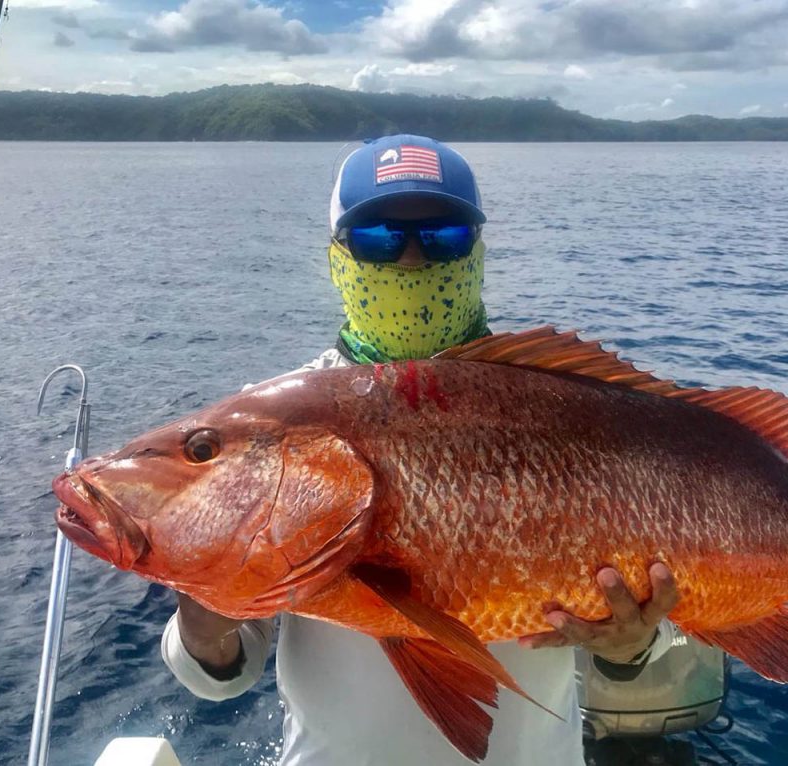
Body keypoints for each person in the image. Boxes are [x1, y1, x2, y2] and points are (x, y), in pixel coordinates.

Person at [161, 134, 681, 766]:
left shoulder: (559, 404)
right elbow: (222, 675)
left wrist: (629, 648)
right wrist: (205, 611)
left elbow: (647, 611)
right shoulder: (268, 422)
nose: (411, 262)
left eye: (445, 238)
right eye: (378, 239)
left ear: (478, 253)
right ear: (337, 258)